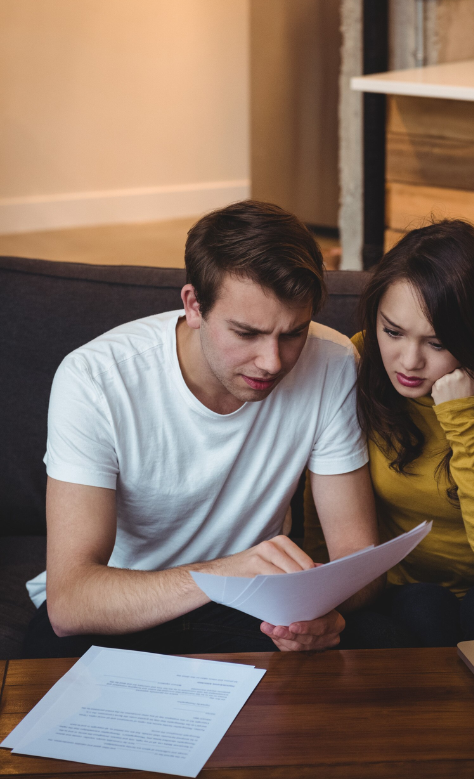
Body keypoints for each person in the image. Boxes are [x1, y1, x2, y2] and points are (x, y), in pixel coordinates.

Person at [23, 201, 385, 659]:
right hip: (123, 608)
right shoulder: (96, 378)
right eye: (247, 333)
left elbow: (359, 561)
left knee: (379, 638)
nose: (273, 362)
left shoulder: (331, 363)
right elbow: (72, 601)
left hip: (250, 607)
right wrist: (222, 574)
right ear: (194, 305)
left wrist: (319, 611)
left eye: (293, 333)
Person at [304, 219, 474, 647]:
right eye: (392, 331)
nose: (408, 361)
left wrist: (463, 419)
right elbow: (324, 514)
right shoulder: (355, 361)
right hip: (404, 588)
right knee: (423, 607)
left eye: (438, 343)